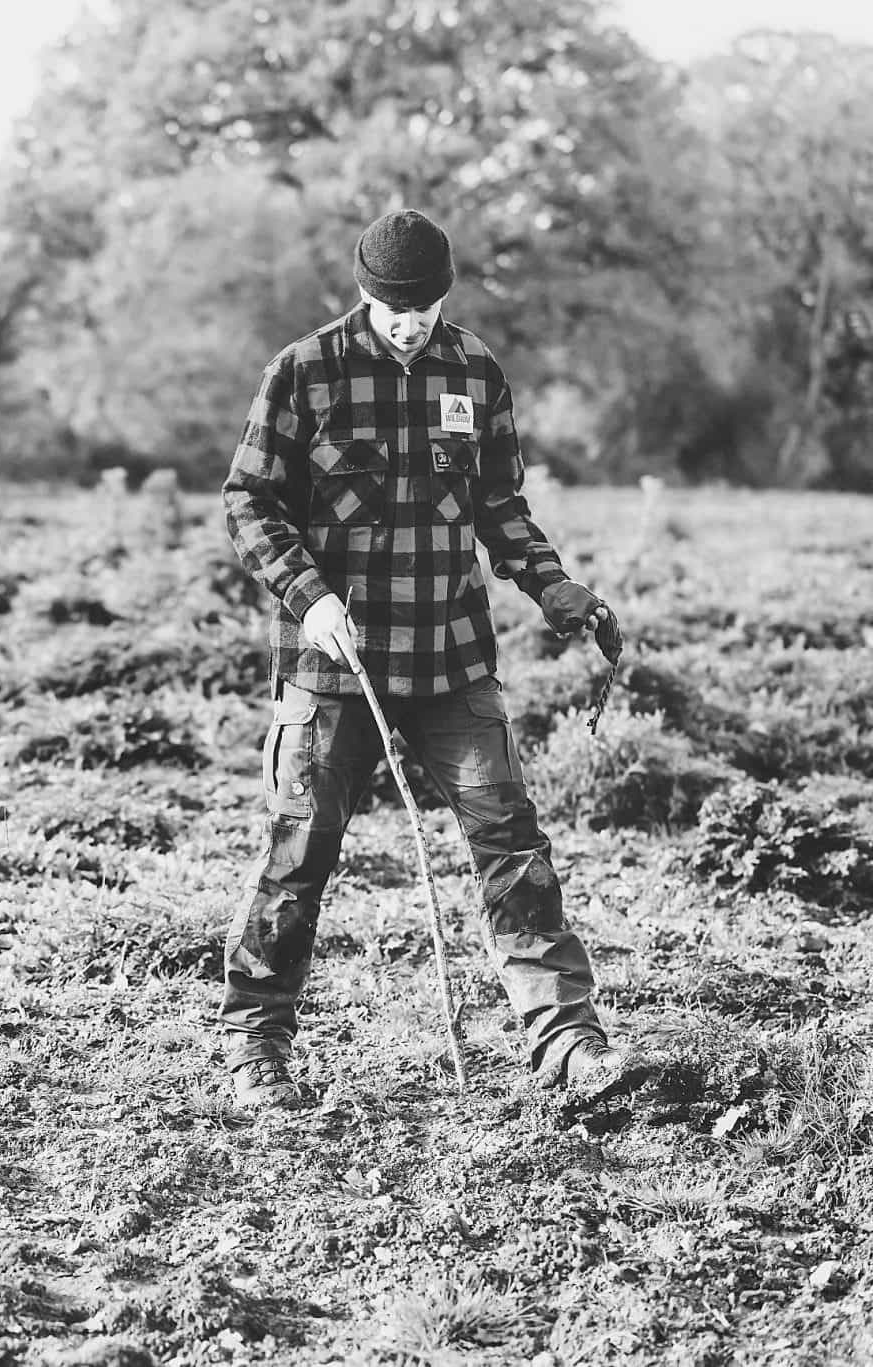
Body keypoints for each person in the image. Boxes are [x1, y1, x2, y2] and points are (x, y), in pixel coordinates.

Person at [218, 208, 628, 1110]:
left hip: (451, 656)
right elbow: (250, 502)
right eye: (389, 308)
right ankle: (257, 1042)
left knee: (511, 839)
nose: (408, 325)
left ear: (446, 295)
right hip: (337, 664)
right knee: (301, 850)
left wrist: (555, 588)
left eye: (423, 309)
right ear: (362, 293)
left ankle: (566, 1039)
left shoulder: (474, 370)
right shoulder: (303, 371)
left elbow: (501, 506)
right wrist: (309, 595)